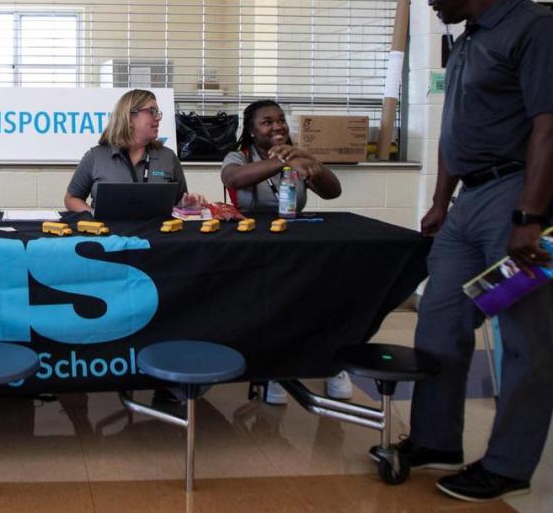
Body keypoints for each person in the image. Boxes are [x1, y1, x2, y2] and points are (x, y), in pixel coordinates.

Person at [397, 0, 553, 502]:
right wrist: (442, 200)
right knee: (439, 321)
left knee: (523, 337)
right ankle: (435, 438)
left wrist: (531, 216)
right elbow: (455, 127)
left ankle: (508, 464)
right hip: (470, 203)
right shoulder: (469, 39)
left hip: (521, 199)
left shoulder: (537, 30)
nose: (429, 4)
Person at [221, 100, 349, 404]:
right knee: (272, 306)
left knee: (321, 298)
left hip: (296, 243)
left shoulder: (298, 155)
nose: (277, 126)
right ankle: (275, 370)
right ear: (251, 131)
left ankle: (330, 364)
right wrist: (283, 162)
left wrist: (311, 163)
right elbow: (233, 180)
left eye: (280, 120)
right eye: (267, 122)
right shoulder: (238, 156)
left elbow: (333, 192)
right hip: (252, 245)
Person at [65, 89, 205, 212]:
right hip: (111, 237)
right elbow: (71, 199)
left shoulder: (168, 157)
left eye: (158, 113)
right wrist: (93, 215)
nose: (158, 118)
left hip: (157, 238)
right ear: (130, 117)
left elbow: (179, 201)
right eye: (152, 111)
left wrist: (186, 205)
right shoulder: (95, 156)